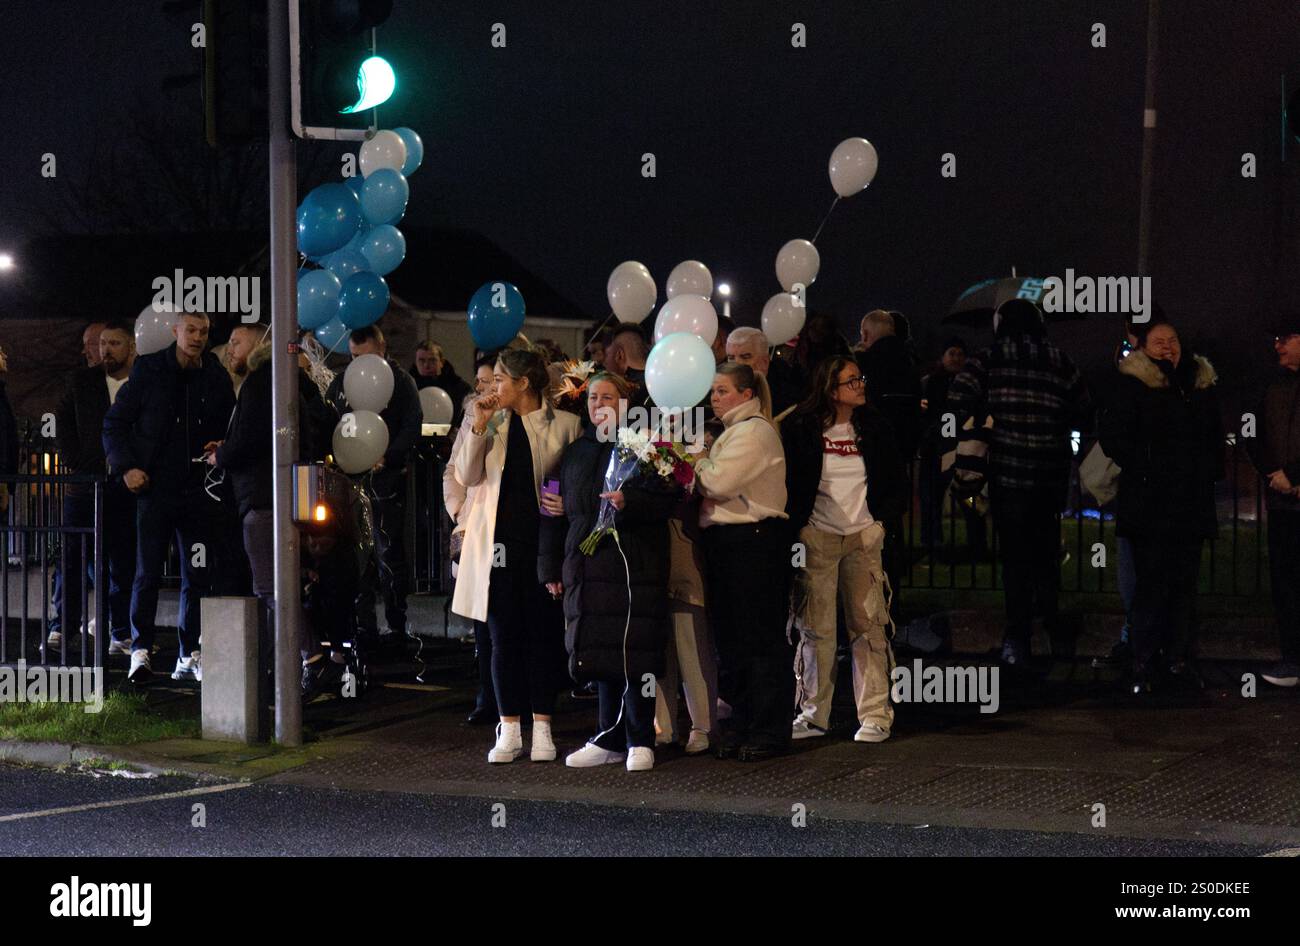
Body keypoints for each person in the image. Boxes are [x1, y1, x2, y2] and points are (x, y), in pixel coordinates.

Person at [541, 372, 679, 771]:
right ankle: (608, 736)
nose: (599, 404)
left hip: (634, 559)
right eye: (593, 397)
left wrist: (629, 501)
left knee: (635, 647)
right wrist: (550, 566)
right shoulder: (577, 450)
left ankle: (640, 737)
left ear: (626, 401)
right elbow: (552, 507)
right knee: (598, 648)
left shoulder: (646, 443)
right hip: (586, 562)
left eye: (608, 397)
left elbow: (667, 495)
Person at [452, 348, 582, 763]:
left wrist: (568, 502)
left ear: (524, 383)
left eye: (501, 381)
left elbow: (574, 481)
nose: (493, 388)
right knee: (502, 638)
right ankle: (509, 728)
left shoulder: (565, 424)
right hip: (496, 547)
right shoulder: (489, 424)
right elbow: (466, 476)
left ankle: (542, 727)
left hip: (543, 547)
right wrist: (479, 426)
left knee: (543, 637)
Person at [948, 299, 1091, 668]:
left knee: (1014, 558)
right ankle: (1054, 630)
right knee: (1045, 556)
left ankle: (1018, 637)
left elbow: (958, 396)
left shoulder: (988, 358)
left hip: (1008, 473)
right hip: (1049, 473)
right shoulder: (1061, 359)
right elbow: (1083, 406)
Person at [102, 311, 236, 683]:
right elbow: (114, 423)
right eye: (190, 330)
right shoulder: (149, 371)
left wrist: (223, 443)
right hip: (155, 489)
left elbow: (231, 421)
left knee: (197, 574)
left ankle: (188, 653)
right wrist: (127, 467)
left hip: (196, 490)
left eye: (204, 331)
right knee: (147, 573)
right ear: (175, 331)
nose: (197, 337)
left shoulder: (213, 373)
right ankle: (140, 651)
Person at [784, 356, 905, 742]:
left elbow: (894, 477)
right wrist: (800, 525)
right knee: (816, 629)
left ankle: (874, 714)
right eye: (852, 381)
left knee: (868, 626)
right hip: (818, 535)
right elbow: (791, 478)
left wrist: (880, 524)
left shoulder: (875, 426)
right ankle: (813, 714)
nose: (861, 386)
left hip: (862, 536)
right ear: (831, 389)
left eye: (860, 379)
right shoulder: (803, 427)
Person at [1099, 316, 1222, 693]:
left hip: (1189, 503)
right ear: (1143, 347)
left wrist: (1203, 470)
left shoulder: (1198, 385)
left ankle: (1177, 659)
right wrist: (1150, 466)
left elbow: (1213, 437)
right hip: (1150, 503)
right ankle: (1142, 660)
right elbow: (1115, 437)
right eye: (1158, 342)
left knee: (1183, 586)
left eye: (1173, 340)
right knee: (1150, 584)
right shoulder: (1131, 385)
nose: (1168, 347)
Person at [694, 363, 792, 761]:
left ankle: (768, 729)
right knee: (732, 640)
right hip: (728, 542)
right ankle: (742, 722)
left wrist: (698, 459)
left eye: (723, 391)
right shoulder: (732, 432)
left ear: (747, 395)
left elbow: (717, 482)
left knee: (759, 638)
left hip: (752, 543)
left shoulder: (755, 432)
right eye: (713, 392)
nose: (715, 398)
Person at [326, 325, 422, 646]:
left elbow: (412, 425)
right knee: (355, 554)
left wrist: (390, 456)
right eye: (353, 357)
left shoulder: (401, 382)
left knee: (388, 549)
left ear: (381, 348)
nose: (359, 364)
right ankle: (362, 623)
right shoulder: (343, 383)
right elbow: (332, 419)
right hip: (349, 480)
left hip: (386, 479)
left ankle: (396, 623)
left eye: (364, 357)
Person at [49, 321, 137, 654]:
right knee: (71, 558)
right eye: (102, 344)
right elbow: (62, 420)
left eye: (114, 343)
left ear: (131, 346)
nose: (105, 350)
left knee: (122, 562)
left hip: (126, 486)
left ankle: (120, 631)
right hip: (85, 487)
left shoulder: (141, 382)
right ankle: (63, 627)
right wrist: (77, 461)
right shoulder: (82, 381)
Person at [444, 355, 498, 723]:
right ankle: (487, 696)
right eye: (478, 380)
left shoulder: (517, 419)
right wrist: (458, 511)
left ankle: (513, 697)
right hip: (473, 524)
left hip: (502, 527)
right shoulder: (471, 416)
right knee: (482, 621)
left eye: (489, 380)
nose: (482, 388)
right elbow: (455, 469)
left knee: (505, 619)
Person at [1249, 319, 1300, 688]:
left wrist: (1294, 475)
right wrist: (1273, 473)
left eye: (1285, 339)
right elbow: (1251, 431)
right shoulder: (1270, 386)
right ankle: (1292, 659)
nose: (1278, 346)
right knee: (1285, 583)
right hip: (1282, 504)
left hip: (1290, 492)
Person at [918, 337, 986, 556]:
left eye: (960, 354)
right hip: (936, 448)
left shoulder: (972, 383)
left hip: (963, 449)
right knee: (932, 497)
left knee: (969, 496)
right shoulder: (930, 383)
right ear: (943, 357)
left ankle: (976, 542)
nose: (956, 358)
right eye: (952, 353)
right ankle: (931, 541)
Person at [726, 327, 802, 419]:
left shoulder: (788, 398)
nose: (736, 365)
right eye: (731, 358)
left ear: (764, 362)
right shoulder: (718, 386)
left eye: (745, 357)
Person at [412, 341, 472, 425]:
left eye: (432, 360)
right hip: (415, 436)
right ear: (415, 362)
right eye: (421, 360)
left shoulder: (459, 387)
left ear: (442, 362)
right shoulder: (408, 388)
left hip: (451, 435)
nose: (426, 365)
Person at [604, 324, 650, 406]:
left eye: (607, 355)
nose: (605, 362)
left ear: (619, 355)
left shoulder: (622, 391)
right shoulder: (662, 381)